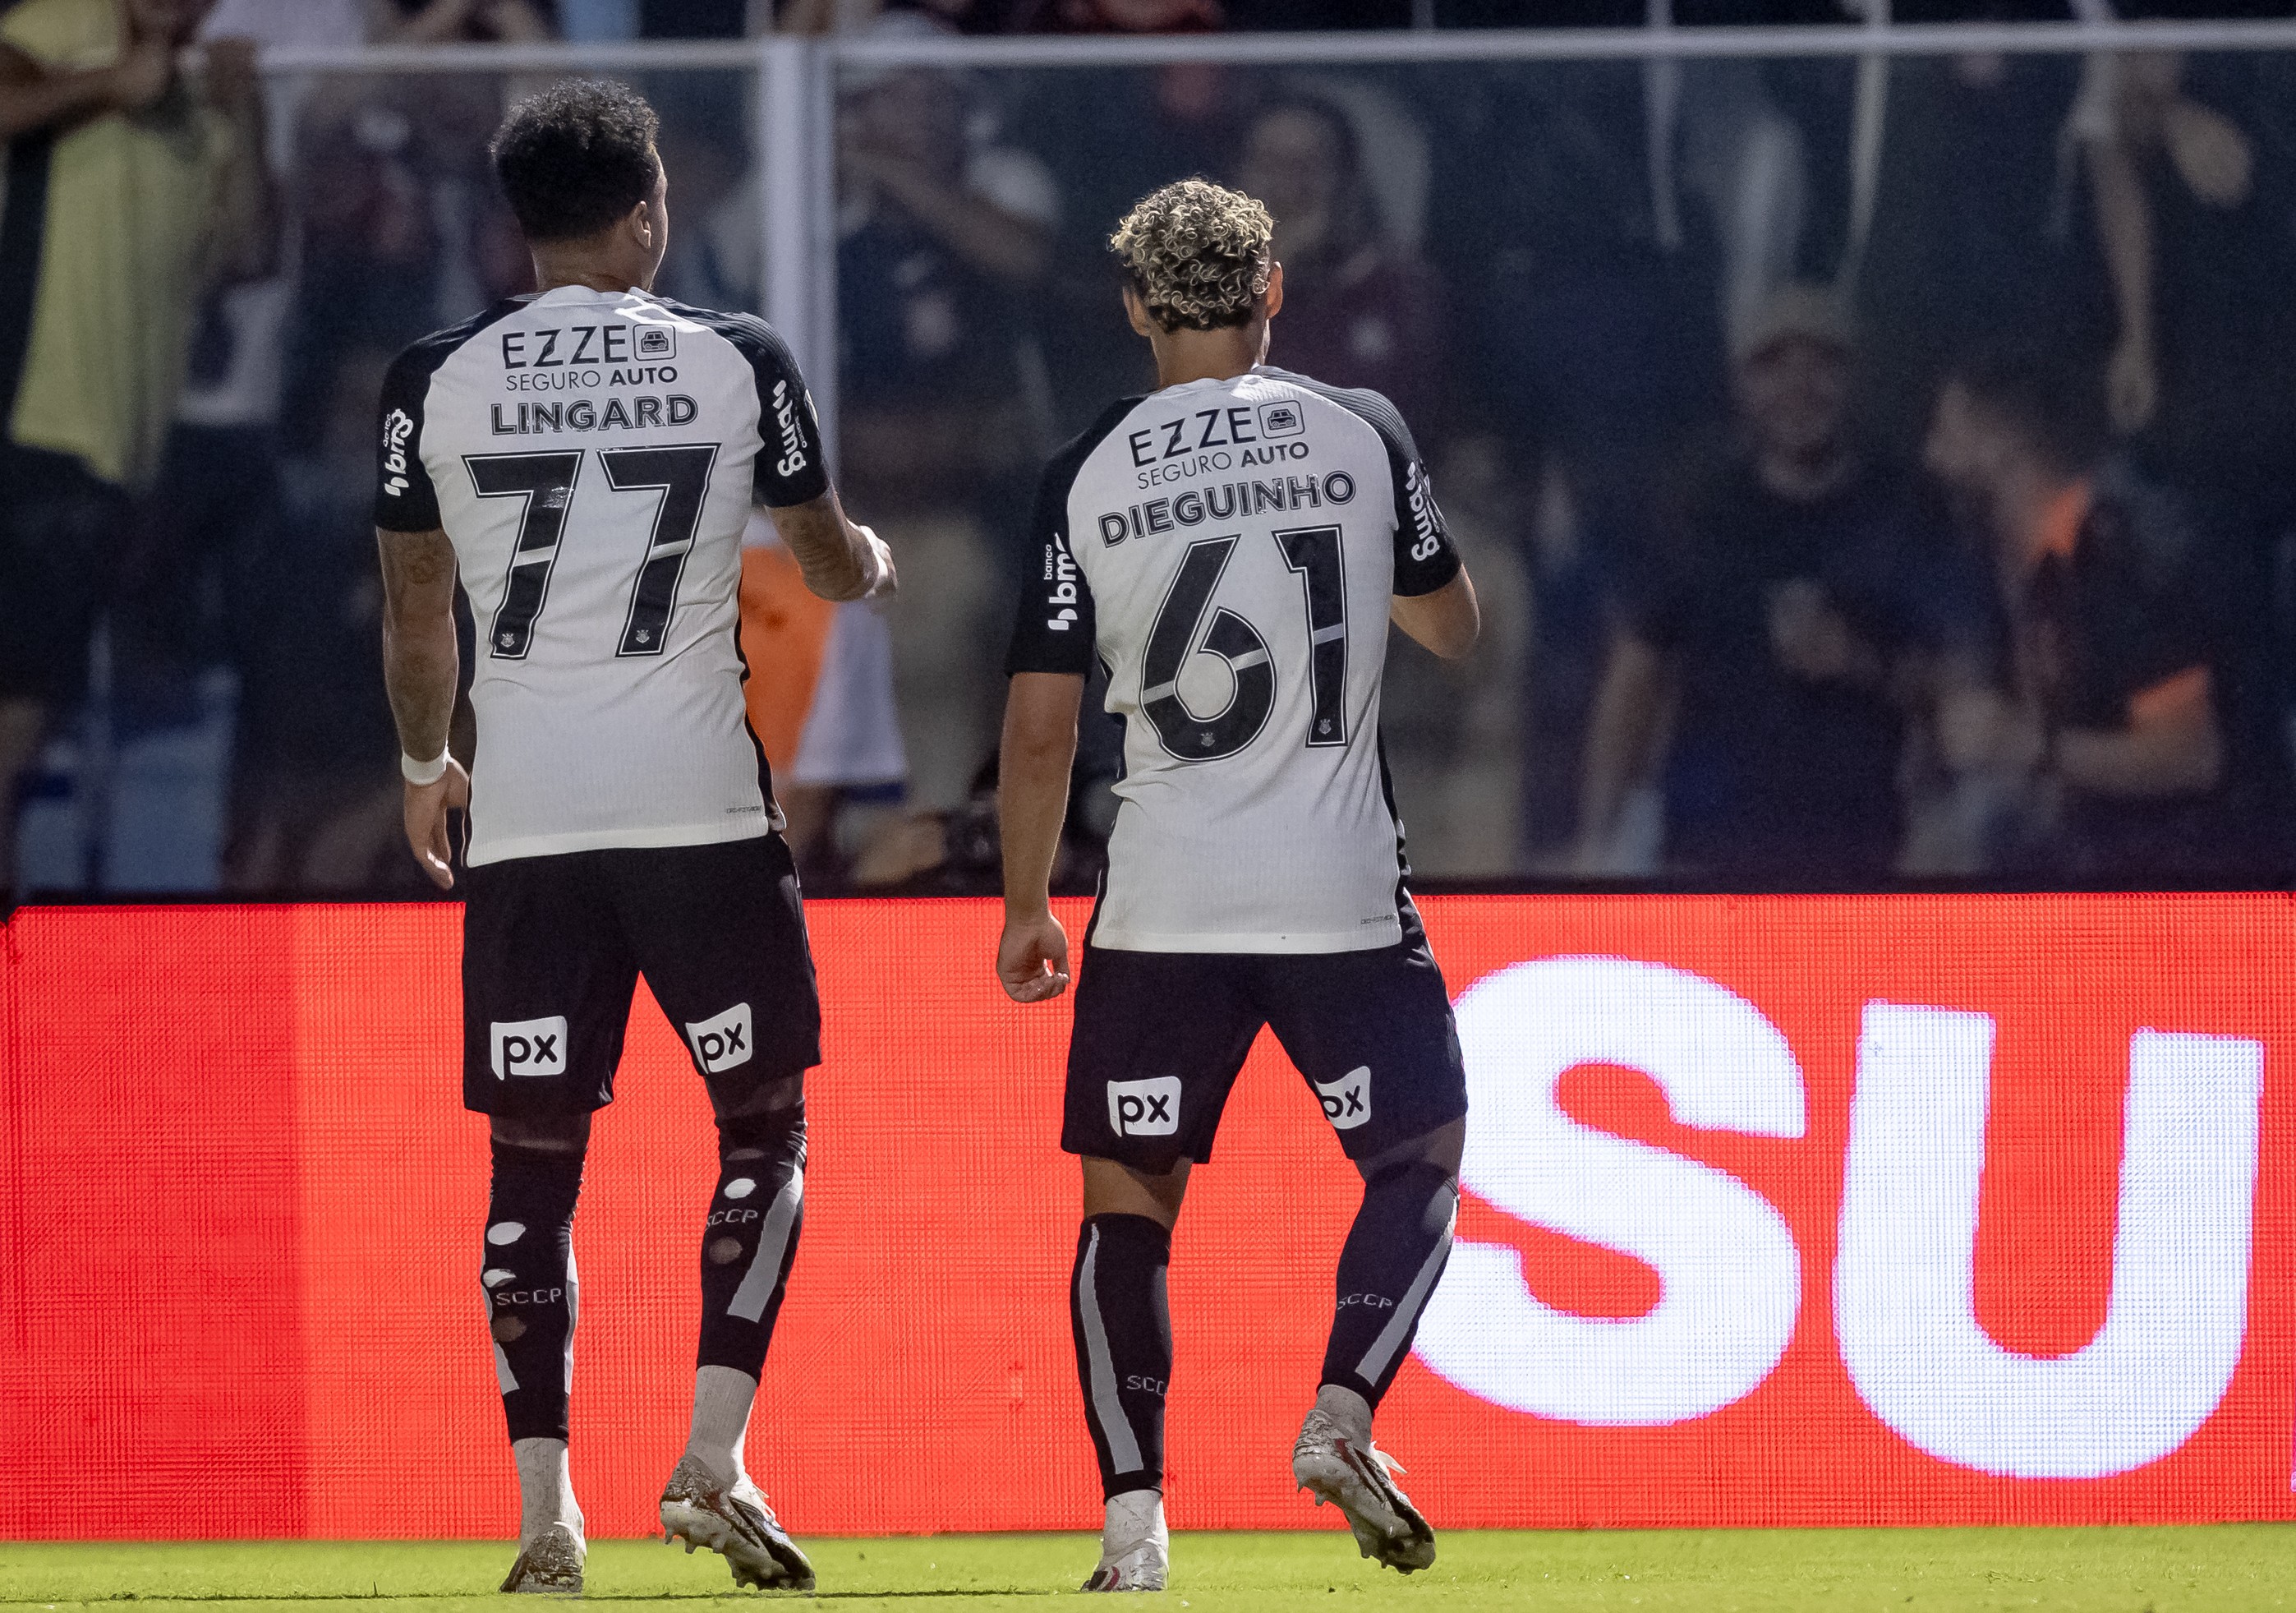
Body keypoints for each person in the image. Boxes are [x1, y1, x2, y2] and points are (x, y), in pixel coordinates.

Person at [373, 81, 894, 1595]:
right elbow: (821, 558)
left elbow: (417, 608)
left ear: (518, 222)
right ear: (647, 208)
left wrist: (426, 762)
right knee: (765, 1125)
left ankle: (547, 1518)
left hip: (527, 825)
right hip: (700, 818)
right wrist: (869, 563)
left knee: (531, 1167)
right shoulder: (736, 359)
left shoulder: (435, 377)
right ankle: (715, 1457)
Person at [995, 178, 1480, 1592]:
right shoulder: (1362, 428)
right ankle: (1343, 1411)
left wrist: (1030, 905)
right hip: (1338, 885)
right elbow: (1452, 628)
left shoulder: (1088, 464)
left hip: (1160, 897)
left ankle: (1134, 1526)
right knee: (1417, 1157)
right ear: (1276, 289)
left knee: (1128, 1211)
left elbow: (1039, 725)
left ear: (1135, 305)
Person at [1573, 285, 1991, 883]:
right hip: (1707, 854)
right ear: (1739, 383)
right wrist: (1598, 840)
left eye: (1823, 362)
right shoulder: (1698, 510)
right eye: (1771, 364)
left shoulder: (1907, 512)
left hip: (1858, 855)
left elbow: (1966, 689)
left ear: (1856, 377)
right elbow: (1634, 679)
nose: (1798, 385)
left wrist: (1863, 663)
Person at [0, 0, 268, 895]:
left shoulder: (193, 115)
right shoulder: (66, 24)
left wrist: (248, 117)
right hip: (30, 415)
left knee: (43, 686)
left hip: (118, 452)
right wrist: (109, 82)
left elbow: (248, 253)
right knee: (29, 692)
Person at [1922, 348, 2280, 883]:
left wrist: (2026, 747)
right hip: (2095, 871)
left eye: (1947, 436)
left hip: (2195, 892)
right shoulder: (2012, 568)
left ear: (2002, 445)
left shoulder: (2118, 559)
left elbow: (2190, 755)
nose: (1930, 457)